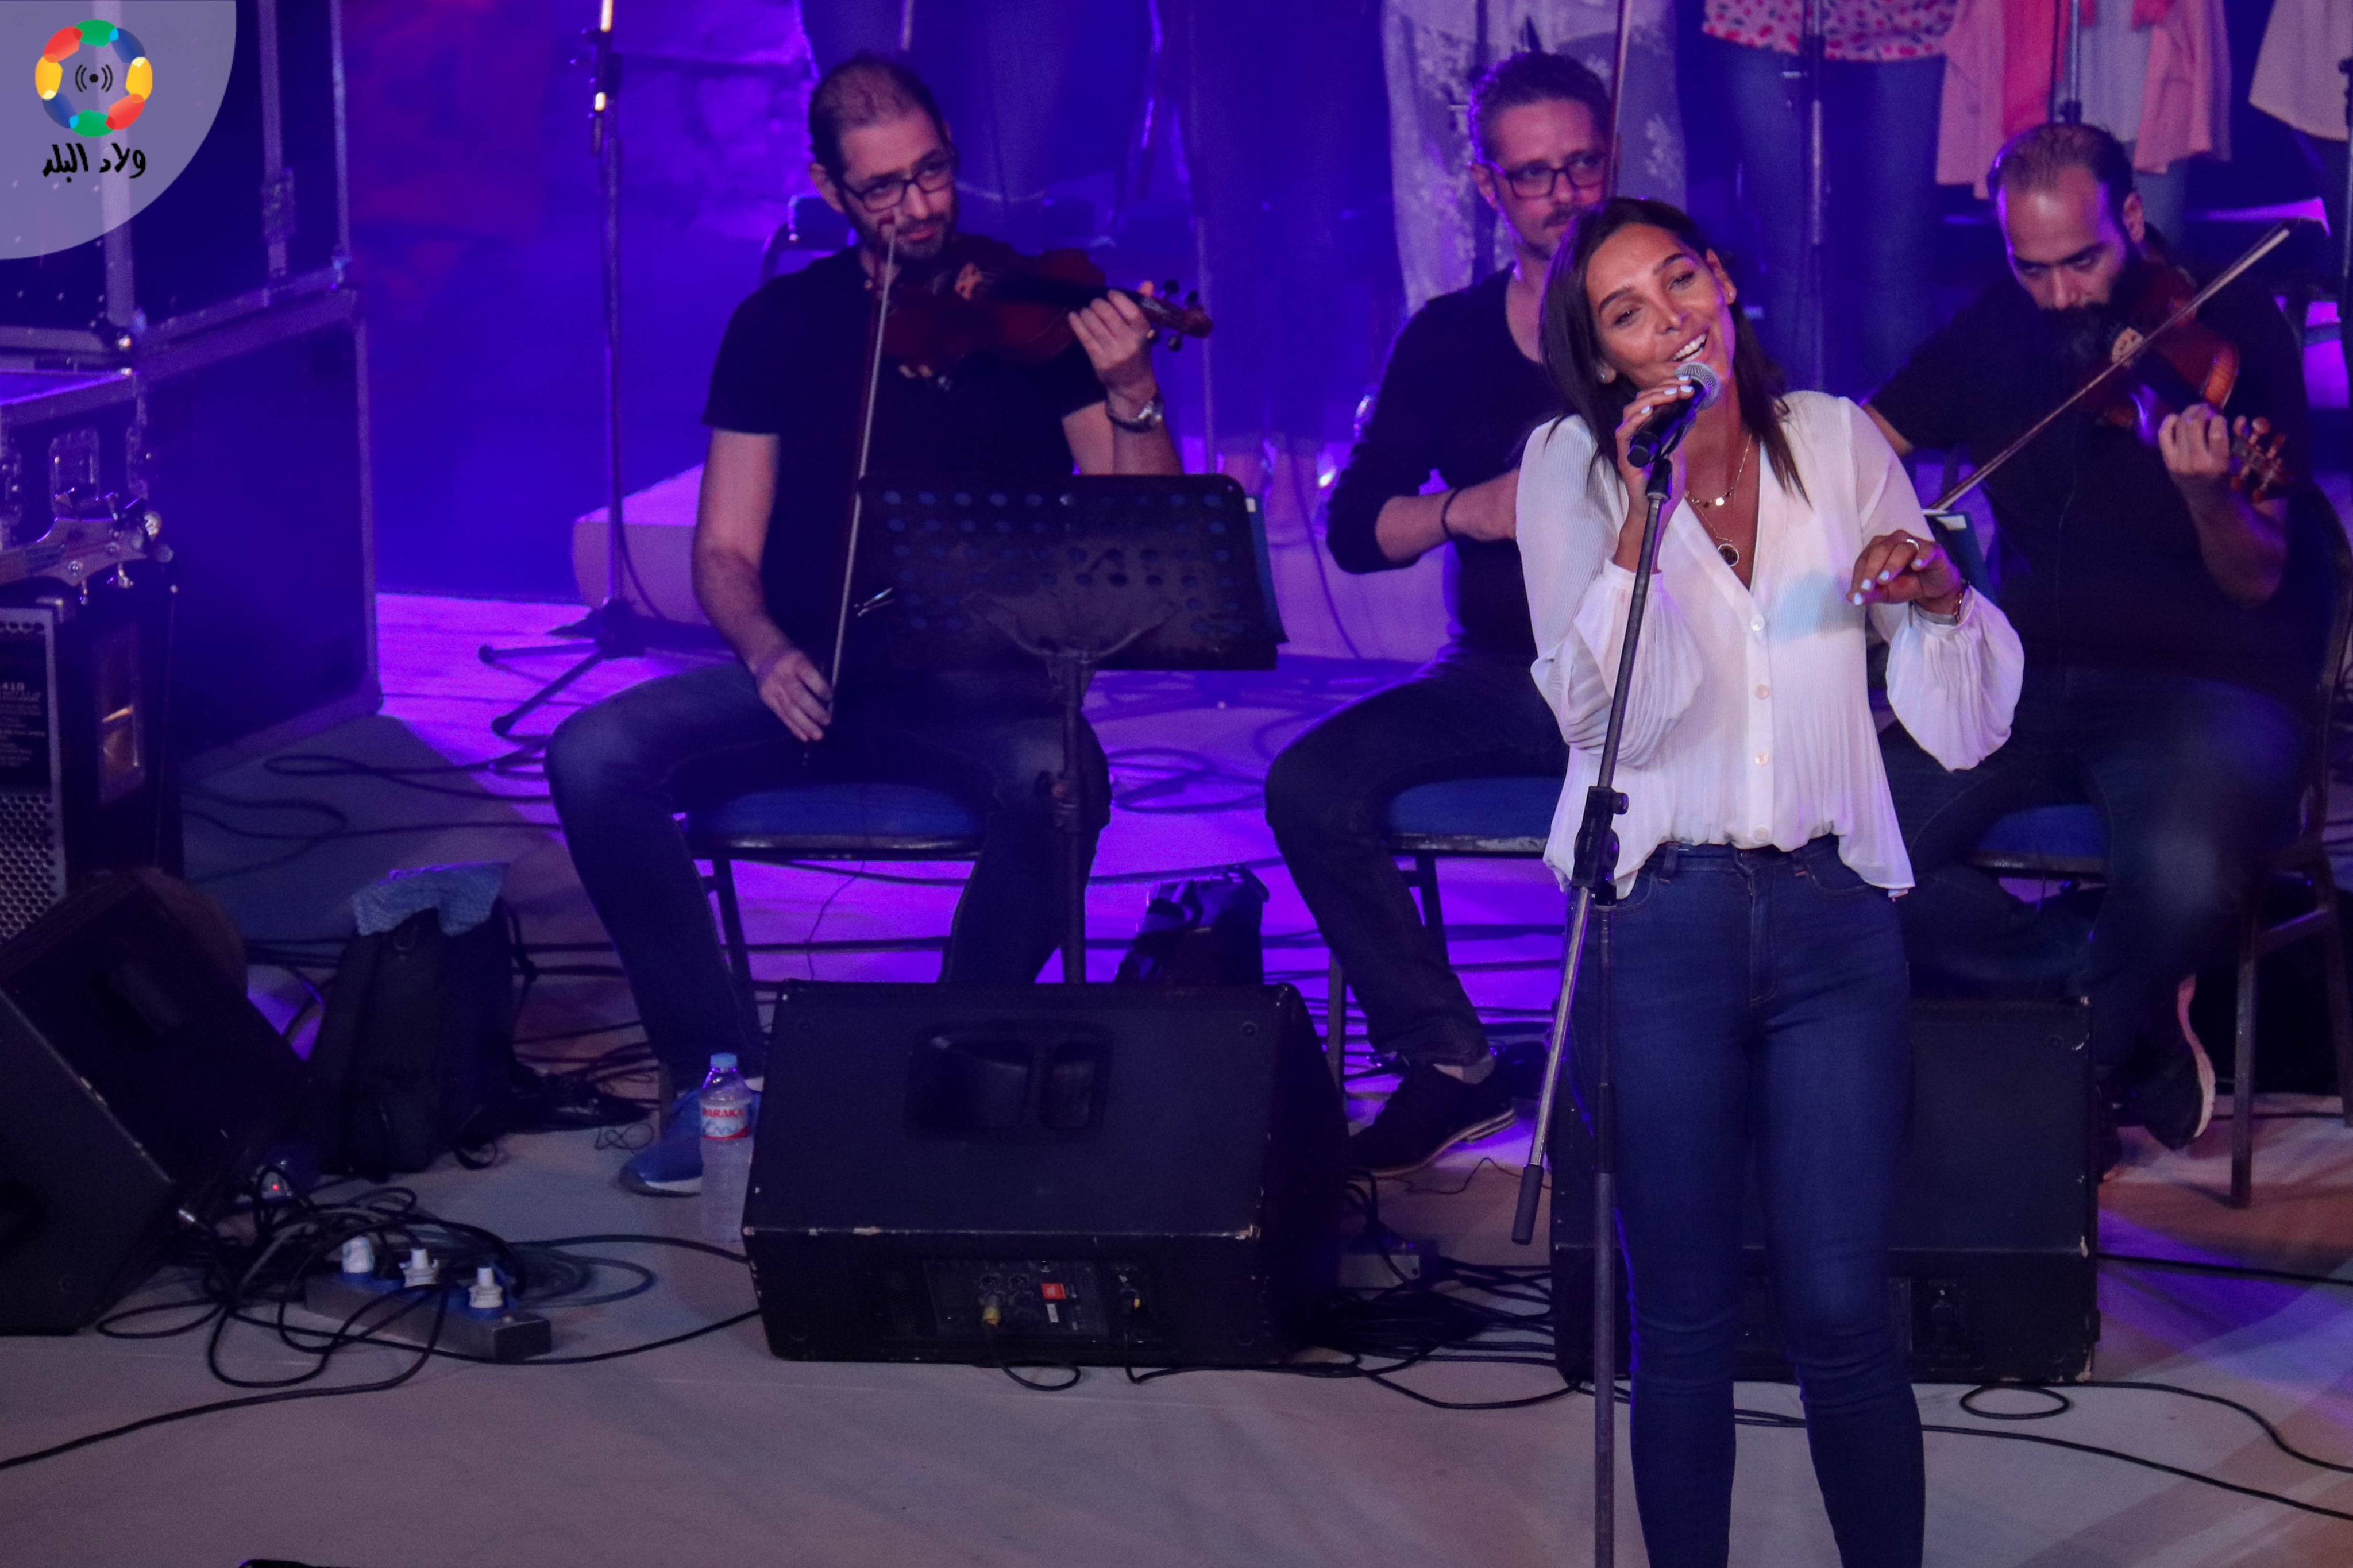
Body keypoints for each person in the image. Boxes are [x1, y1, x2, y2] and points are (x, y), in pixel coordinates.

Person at [546, 54, 1180, 1195]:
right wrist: (764, 649)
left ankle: (946, 1063)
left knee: (1061, 780)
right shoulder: (778, 325)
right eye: (883, 188)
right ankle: (718, 1074)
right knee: (592, 756)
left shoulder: (1031, 314)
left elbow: (1146, 528)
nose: (919, 207)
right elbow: (723, 553)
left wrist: (1133, 392)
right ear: (828, 189)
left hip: (978, 690)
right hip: (807, 678)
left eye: (932, 173)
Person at [1518, 195, 2022, 1568]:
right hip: (1657, 924)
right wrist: (1640, 515)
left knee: (1843, 1313)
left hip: (1829, 921)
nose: (1670, 318)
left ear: (1723, 283)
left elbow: (1959, 722)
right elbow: (1602, 723)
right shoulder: (1568, 468)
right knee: (1680, 1318)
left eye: (1680, 279)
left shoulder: (1837, 440)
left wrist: (1932, 598)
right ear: (1603, 356)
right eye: (1627, 312)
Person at [1868, 121, 2325, 1155]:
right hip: (2032, 675)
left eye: (2083, 261)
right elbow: (1866, 438)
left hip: (2216, 685)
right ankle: (2121, 1007)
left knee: (2185, 873)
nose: (2062, 294)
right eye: (2033, 268)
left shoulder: (2229, 325)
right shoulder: (1996, 324)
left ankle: (2066, 1075)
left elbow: (2256, 578)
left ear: (2130, 218)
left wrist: (2208, 494)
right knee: (1855, 843)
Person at [1264, 51, 1610, 1176]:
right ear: (1487, 185)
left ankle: (1632, 1068)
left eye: (1581, 166)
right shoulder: (1449, 336)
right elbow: (1357, 531)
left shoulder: (1677, 310)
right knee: (1309, 785)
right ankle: (1452, 1061)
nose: (1563, 195)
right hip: (1496, 671)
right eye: (1533, 176)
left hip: (1653, 670)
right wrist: (1471, 509)